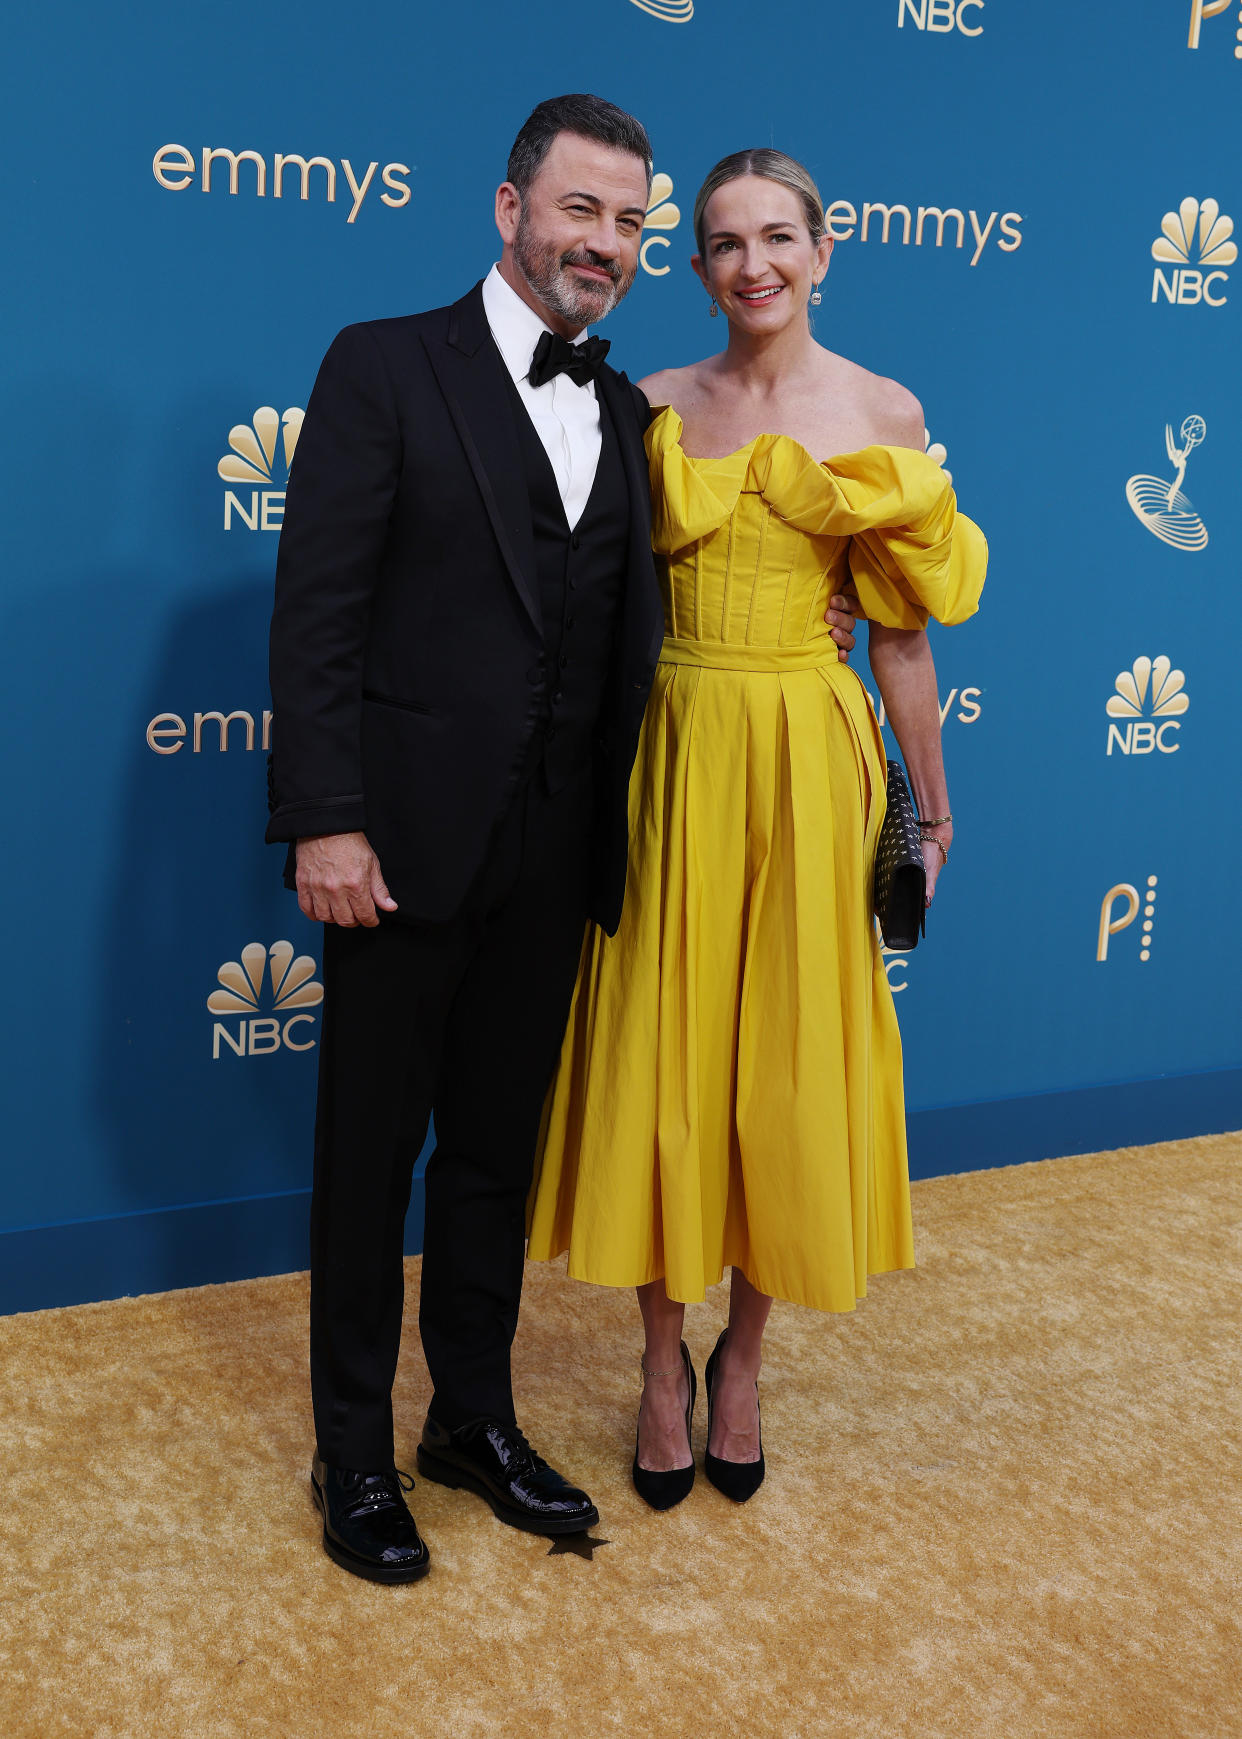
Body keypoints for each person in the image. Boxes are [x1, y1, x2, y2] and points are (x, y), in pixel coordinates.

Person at [267, 96, 866, 1580]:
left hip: (557, 855)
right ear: (509, 209)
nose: (605, 243)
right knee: (365, 1163)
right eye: (579, 211)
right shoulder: (382, 363)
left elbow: (641, 625)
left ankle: (467, 1417)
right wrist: (325, 819)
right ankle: (352, 1453)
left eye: (628, 223)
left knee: (489, 1162)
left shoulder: (627, 413)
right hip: (394, 846)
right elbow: (319, 612)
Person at [526, 148, 987, 1509]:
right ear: (695, 265)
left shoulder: (883, 410)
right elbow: (588, 609)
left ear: (824, 248)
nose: (753, 265)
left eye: (776, 237)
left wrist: (930, 806)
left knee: (781, 1078)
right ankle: (660, 1369)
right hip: (670, 757)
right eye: (723, 243)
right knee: (670, 1067)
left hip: (806, 757)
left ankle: (744, 1360)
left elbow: (898, 638)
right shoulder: (649, 403)